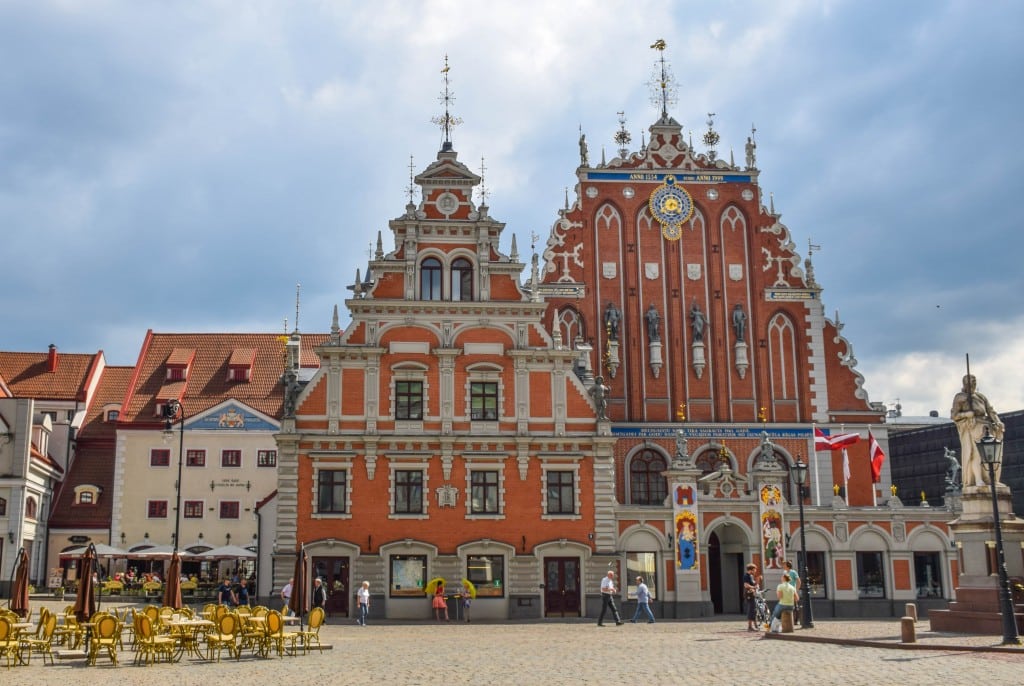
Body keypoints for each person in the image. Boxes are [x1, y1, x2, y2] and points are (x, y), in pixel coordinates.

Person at [951, 374, 1005, 488]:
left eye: (974, 383)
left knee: (991, 454)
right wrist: (967, 414)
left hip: (986, 426)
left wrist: (998, 421)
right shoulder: (960, 397)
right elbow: (954, 415)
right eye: (971, 383)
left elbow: (990, 411)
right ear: (965, 384)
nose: (973, 385)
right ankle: (978, 479)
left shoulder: (981, 396)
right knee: (976, 454)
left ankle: (991, 479)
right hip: (973, 426)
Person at [770, 559, 801, 626]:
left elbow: (798, 581)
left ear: (788, 565)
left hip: (792, 591)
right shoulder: (784, 572)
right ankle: (787, 620)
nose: (783, 566)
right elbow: (783, 581)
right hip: (785, 591)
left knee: (795, 606)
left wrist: (796, 589)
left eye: (784, 564)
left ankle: (795, 620)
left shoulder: (793, 572)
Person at [743, 563, 760, 631]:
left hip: (752, 594)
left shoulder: (751, 576)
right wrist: (754, 587)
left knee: (754, 610)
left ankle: (755, 625)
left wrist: (757, 582)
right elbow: (746, 585)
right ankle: (750, 626)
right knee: (751, 610)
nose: (755, 571)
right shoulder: (746, 576)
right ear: (751, 570)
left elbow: (753, 583)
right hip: (749, 594)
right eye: (754, 569)